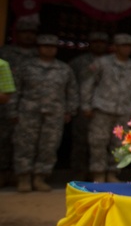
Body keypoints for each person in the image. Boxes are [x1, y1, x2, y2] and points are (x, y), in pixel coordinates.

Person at [10, 35, 78, 192]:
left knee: (49, 146)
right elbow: (15, 90)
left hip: (54, 114)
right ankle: (24, 177)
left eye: (52, 47)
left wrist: (70, 110)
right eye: (45, 46)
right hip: (28, 112)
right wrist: (12, 110)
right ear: (38, 47)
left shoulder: (64, 69)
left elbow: (71, 91)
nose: (49, 49)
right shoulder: (26, 66)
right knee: (24, 145)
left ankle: (40, 177)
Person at [81, 33, 131, 182]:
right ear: (115, 47)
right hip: (102, 109)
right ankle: (98, 173)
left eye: (129, 46)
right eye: (123, 46)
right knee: (98, 142)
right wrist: (86, 105)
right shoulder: (101, 63)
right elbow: (88, 85)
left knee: (119, 144)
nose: (126, 49)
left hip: (124, 111)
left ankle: (112, 173)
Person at [0, 17, 38, 186]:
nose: (28, 36)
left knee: (26, 143)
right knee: (3, 141)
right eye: (24, 32)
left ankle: (21, 176)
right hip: (5, 104)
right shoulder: (5, 53)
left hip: (30, 106)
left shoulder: (39, 54)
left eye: (32, 33)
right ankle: (3, 173)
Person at [69, 31, 110, 175]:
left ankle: (98, 174)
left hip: (105, 109)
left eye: (102, 42)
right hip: (83, 108)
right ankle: (78, 174)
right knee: (80, 142)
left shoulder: (112, 62)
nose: (99, 45)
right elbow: (71, 85)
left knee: (103, 143)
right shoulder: (77, 62)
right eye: (95, 42)